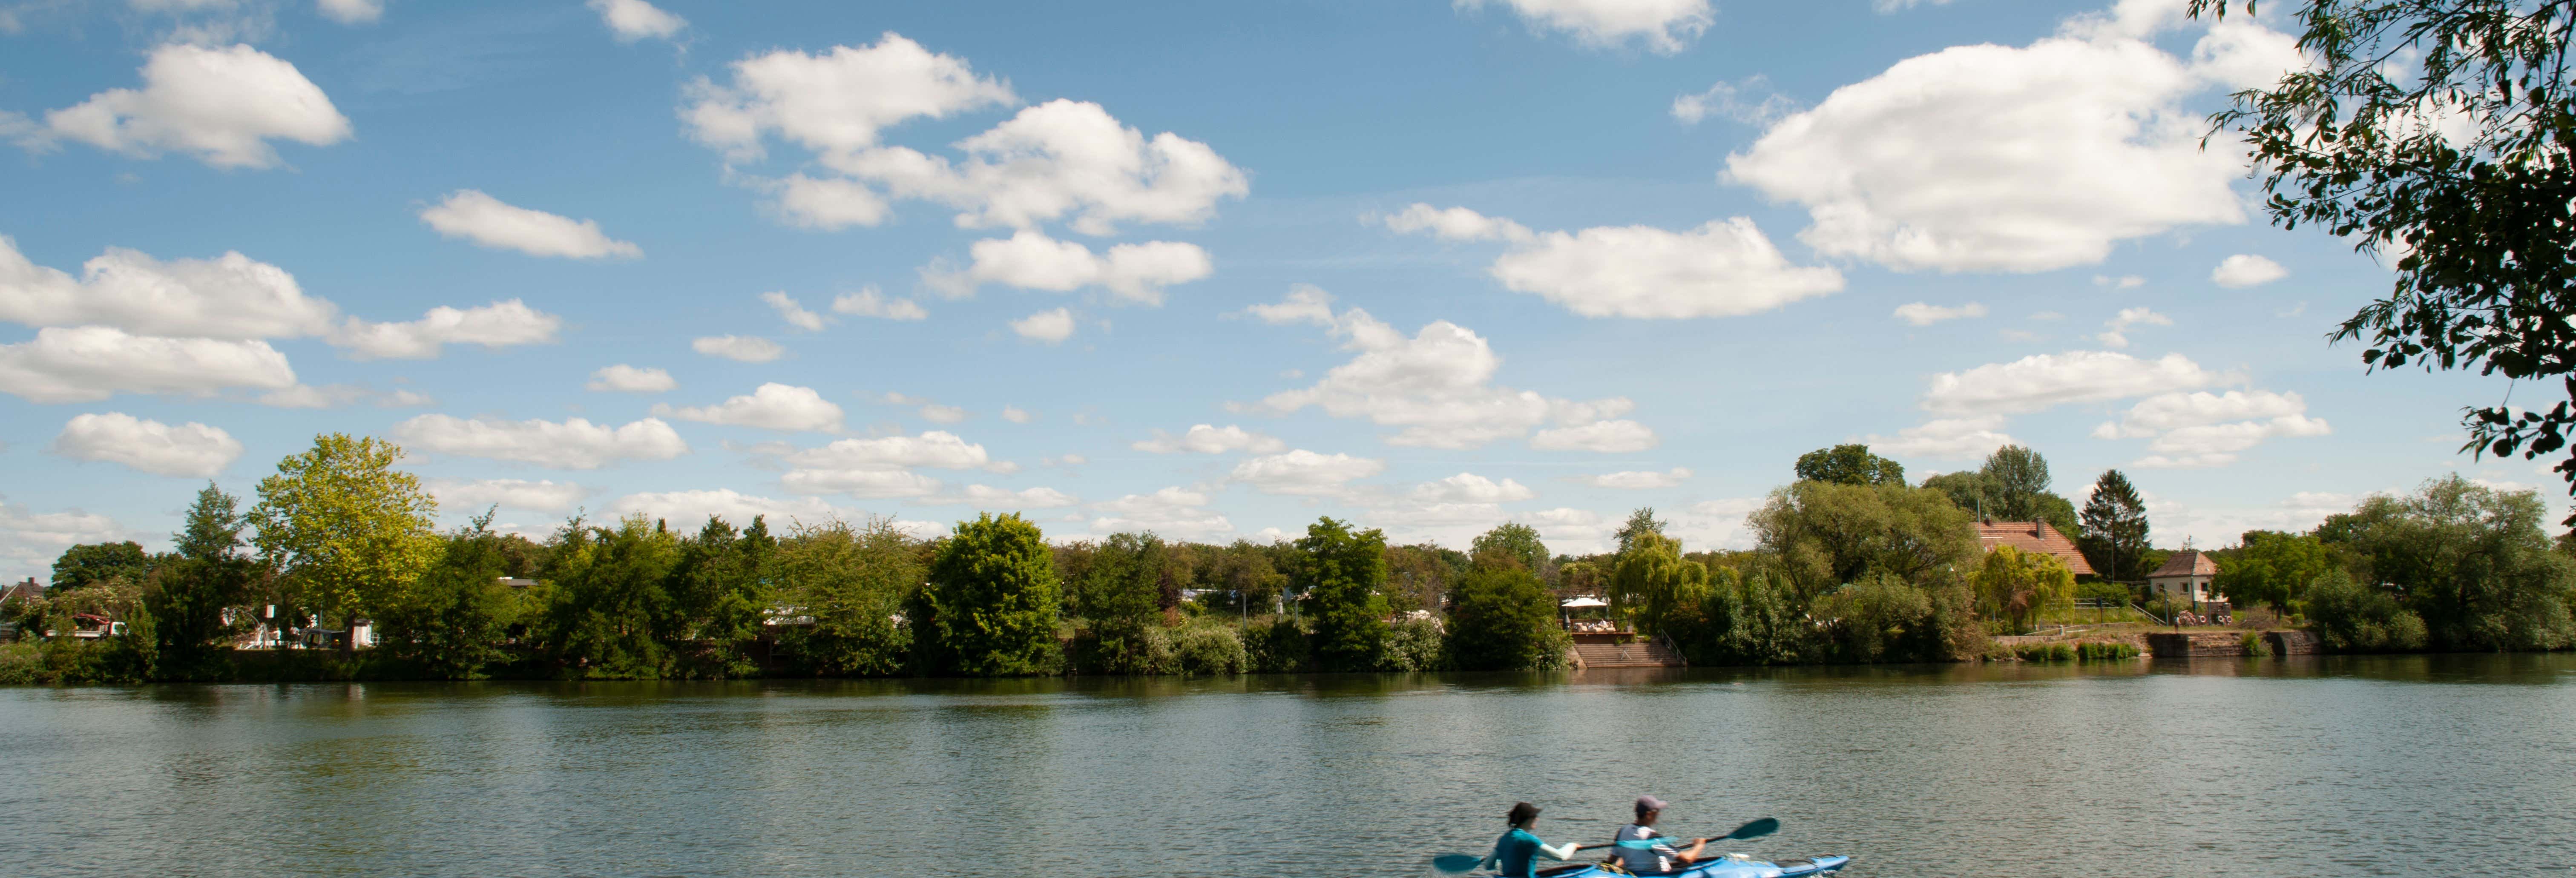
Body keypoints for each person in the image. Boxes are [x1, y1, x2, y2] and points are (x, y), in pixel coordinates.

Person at [1613, 795, 1709, 875]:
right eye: (1657, 812)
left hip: (1634, 873)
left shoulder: (1622, 831)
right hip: (1655, 874)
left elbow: (1612, 860)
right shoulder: (1652, 838)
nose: (1660, 815)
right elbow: (1688, 859)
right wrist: (1699, 845)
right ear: (1649, 815)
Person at [1484, 802, 1580, 878]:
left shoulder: (1504, 839)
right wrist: (1572, 846)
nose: (1538, 819)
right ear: (1529, 819)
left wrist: (1501, 859)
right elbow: (1561, 856)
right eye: (1535, 816)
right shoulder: (1529, 840)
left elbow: (1488, 866)